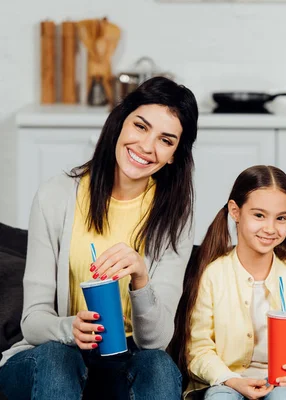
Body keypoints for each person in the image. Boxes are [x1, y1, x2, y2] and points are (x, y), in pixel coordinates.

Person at [0, 76, 199, 400]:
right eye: (141, 126)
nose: (147, 146)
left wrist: (140, 277)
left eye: (166, 140)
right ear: (121, 122)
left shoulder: (175, 214)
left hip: (127, 357)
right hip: (56, 353)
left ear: (175, 154)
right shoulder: (56, 195)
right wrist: (70, 328)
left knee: (159, 366)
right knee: (56, 359)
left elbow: (156, 340)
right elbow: (33, 321)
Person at [170, 165, 286, 400]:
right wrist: (231, 380)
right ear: (235, 211)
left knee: (284, 397)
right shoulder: (213, 276)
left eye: (281, 218)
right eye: (259, 215)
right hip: (228, 380)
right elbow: (199, 349)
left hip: (283, 382)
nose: (270, 228)